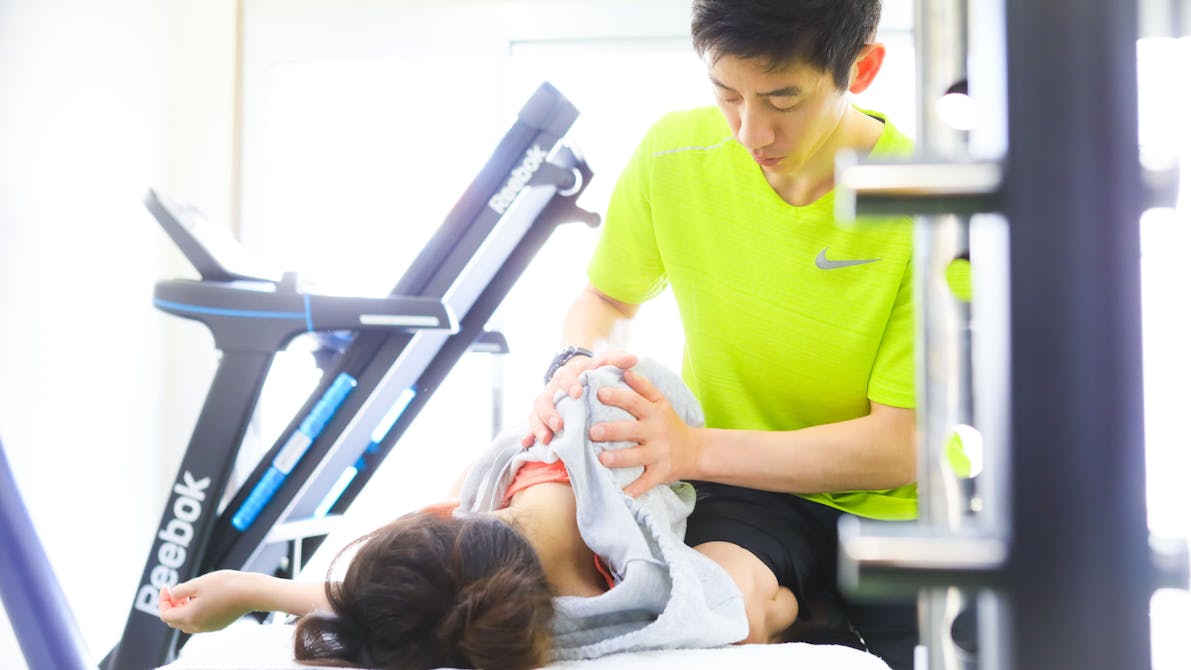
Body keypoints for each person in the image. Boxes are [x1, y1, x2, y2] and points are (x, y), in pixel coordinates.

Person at [525, 1, 919, 668]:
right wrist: (578, 359)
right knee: (709, 619)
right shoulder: (672, 153)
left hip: (898, 509)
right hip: (744, 488)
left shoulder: (928, 200)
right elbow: (606, 299)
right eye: (726, 94)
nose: (749, 132)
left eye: (782, 99)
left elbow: (900, 448)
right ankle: (796, 616)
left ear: (862, 68)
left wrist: (690, 449)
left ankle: (816, 614)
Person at [159, 361, 755, 670]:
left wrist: (254, 589)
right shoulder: (597, 422)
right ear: (450, 520)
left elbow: (410, 601)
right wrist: (248, 588)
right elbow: (410, 597)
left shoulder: (583, 600)